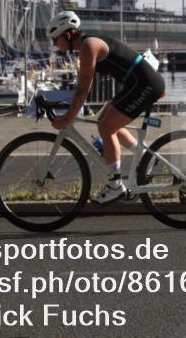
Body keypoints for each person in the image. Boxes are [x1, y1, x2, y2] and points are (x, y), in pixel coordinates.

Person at [46, 10, 165, 204]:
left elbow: (83, 88)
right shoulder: (87, 45)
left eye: (55, 39)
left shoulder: (88, 46)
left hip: (145, 84)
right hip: (138, 83)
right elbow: (86, 84)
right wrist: (70, 111)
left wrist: (69, 117)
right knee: (104, 122)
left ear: (67, 34)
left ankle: (116, 185)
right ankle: (144, 158)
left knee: (106, 128)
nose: (54, 44)